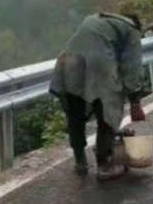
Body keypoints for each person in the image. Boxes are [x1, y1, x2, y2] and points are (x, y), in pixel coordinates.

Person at [49, 12, 146, 181]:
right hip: (98, 66)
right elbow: (133, 68)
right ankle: (105, 165)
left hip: (68, 63)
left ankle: (80, 162)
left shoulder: (95, 18)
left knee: (75, 114)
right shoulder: (131, 30)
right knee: (107, 112)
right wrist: (135, 103)